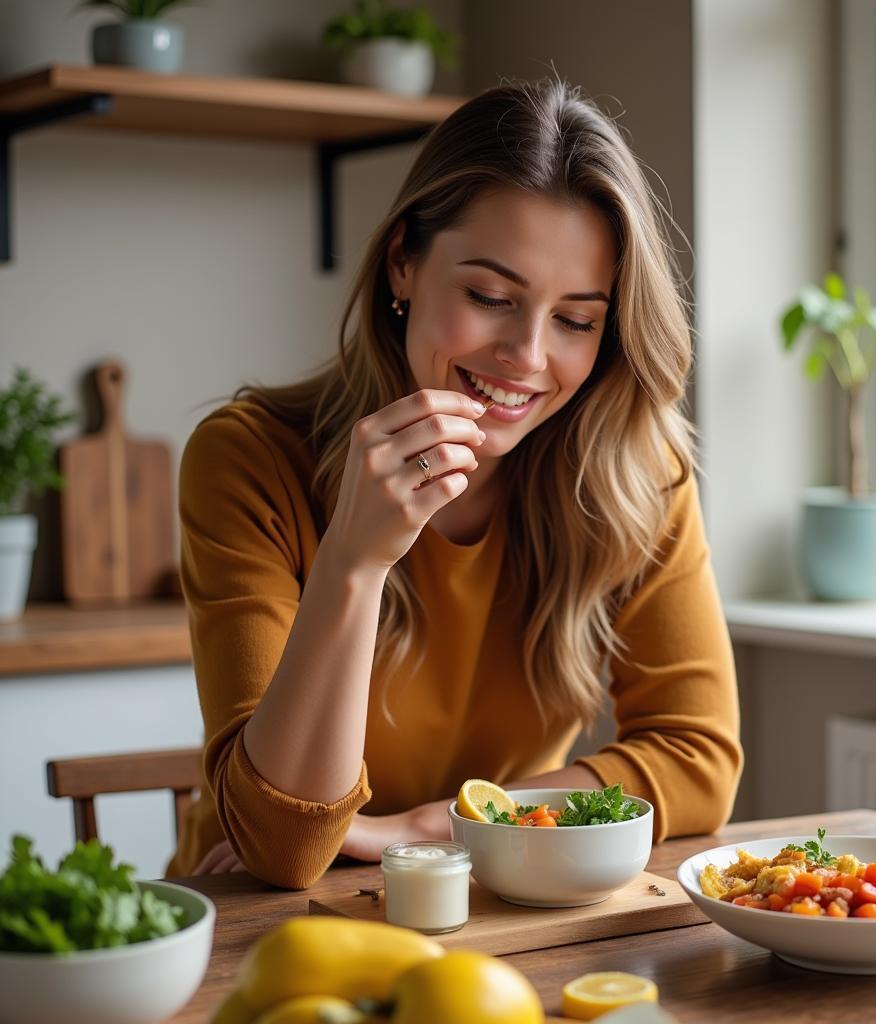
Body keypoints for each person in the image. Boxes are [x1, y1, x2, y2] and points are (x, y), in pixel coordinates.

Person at [166, 78, 742, 888]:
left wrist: (440, 824)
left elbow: (698, 759)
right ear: (403, 262)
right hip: (257, 923)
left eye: (576, 319)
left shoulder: (633, 476)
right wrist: (354, 564)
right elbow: (284, 849)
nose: (528, 356)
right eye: (490, 297)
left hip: (493, 905)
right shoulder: (249, 460)